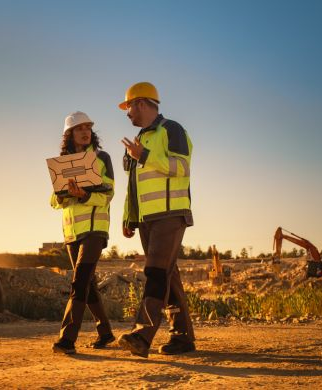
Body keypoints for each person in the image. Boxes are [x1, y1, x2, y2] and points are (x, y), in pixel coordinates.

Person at [117, 82, 195, 358]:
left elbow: (182, 168)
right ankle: (182, 337)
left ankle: (141, 335)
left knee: (156, 273)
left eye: (129, 107)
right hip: (147, 218)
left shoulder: (171, 130)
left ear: (140, 103)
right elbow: (134, 186)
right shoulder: (139, 141)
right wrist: (129, 217)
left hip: (170, 214)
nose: (127, 114)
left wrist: (145, 156)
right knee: (169, 277)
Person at [50, 111, 116, 355]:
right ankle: (106, 333)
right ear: (70, 134)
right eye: (80, 128)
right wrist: (61, 195)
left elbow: (108, 194)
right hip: (72, 232)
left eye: (88, 127)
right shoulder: (61, 163)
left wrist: (84, 195)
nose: (85, 131)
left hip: (95, 229)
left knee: (79, 282)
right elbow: (53, 201)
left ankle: (67, 339)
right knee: (88, 285)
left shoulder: (102, 158)